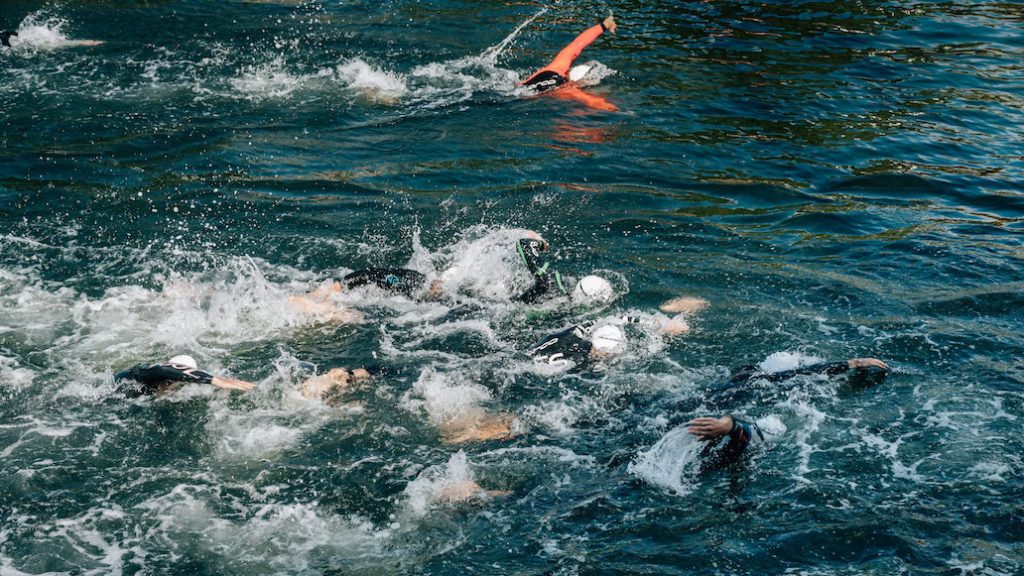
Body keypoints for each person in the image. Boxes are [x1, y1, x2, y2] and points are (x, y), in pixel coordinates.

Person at [684, 358, 889, 466]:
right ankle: (729, 425)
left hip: (700, 404)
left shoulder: (727, 384)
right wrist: (852, 363)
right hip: (731, 419)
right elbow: (802, 373)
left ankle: (729, 425)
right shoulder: (758, 382)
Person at [114, 354, 369, 400]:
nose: (173, 387)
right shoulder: (143, 375)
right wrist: (212, 379)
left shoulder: (156, 388)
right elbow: (166, 369)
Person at [520, 15, 619, 111]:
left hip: (518, 89)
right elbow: (594, 102)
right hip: (522, 100)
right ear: (578, 82)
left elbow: (579, 43)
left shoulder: (557, 67)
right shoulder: (567, 90)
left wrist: (605, 25)